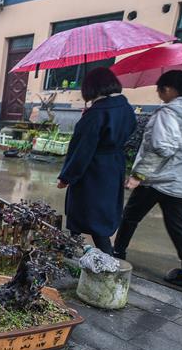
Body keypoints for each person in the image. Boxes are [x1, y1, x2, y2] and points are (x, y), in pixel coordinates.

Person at [113, 67, 182, 289]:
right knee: (178, 223)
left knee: (131, 216)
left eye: (160, 91)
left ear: (168, 89)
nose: (159, 95)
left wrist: (138, 175)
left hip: (158, 179)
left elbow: (161, 148)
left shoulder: (169, 113)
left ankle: (116, 253)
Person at [57, 67, 136, 254]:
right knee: (100, 211)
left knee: (88, 213)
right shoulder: (125, 108)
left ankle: (103, 259)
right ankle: (71, 248)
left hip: (92, 170)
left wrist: (67, 176)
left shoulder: (97, 114)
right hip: (114, 166)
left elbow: (82, 150)